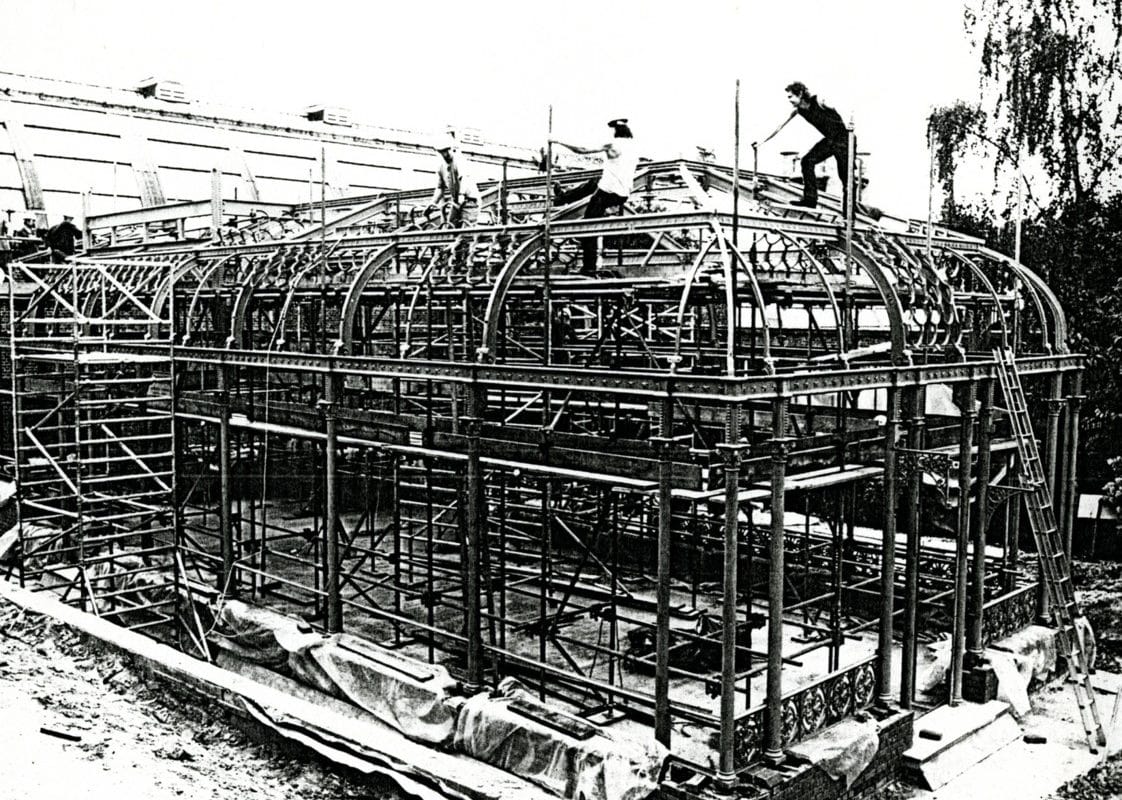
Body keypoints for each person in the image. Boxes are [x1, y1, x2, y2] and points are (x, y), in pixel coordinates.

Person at [551, 118, 639, 275]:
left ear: (614, 131)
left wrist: (557, 140)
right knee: (594, 182)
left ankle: (588, 267)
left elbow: (582, 149)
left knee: (588, 226)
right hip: (623, 192)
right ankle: (563, 197)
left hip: (608, 193)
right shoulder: (632, 146)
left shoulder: (613, 144)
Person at [782, 82, 851, 210]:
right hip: (830, 140)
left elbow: (841, 109)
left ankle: (849, 210)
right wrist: (761, 142)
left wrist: (850, 127)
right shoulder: (799, 111)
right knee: (807, 161)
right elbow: (779, 126)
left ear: (800, 94)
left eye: (791, 96)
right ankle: (810, 200)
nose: (789, 100)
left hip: (844, 139)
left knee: (846, 176)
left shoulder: (819, 101)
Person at [430, 135, 480, 229]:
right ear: (439, 152)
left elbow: (464, 178)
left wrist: (461, 194)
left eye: (447, 150)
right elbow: (440, 188)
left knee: (466, 229)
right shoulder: (442, 167)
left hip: (469, 201)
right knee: (450, 227)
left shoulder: (459, 161)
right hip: (456, 201)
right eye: (443, 151)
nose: (446, 154)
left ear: (451, 148)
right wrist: (433, 203)